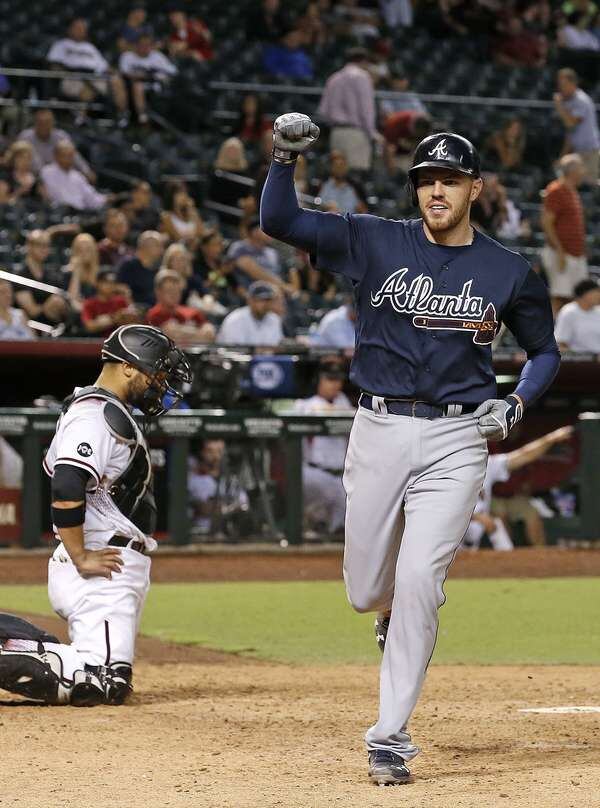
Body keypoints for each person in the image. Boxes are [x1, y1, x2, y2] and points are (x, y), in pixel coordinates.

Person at [260, 115, 560, 784]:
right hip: (380, 427)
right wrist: (284, 158)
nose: (435, 191)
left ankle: (389, 735)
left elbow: (544, 352)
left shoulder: (507, 269)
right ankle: (388, 613)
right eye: (425, 180)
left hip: (459, 437)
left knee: (423, 578)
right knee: (368, 590)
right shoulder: (372, 239)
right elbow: (281, 221)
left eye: (449, 180)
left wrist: (516, 403)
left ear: (474, 188)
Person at [0, 325, 192, 706]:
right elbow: (68, 484)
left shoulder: (107, 411)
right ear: (126, 368)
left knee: (99, 672)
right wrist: (81, 555)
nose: (160, 383)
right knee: (100, 679)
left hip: (111, 565)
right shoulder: (94, 415)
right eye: (155, 372)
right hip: (99, 564)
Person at [462, 425, 574, 550]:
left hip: (473, 534)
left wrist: (551, 438)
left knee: (494, 526)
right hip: (452, 533)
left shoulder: (488, 464)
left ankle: (512, 560)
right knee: (491, 521)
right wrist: (474, 516)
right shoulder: (446, 469)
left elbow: (524, 454)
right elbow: (439, 505)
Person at [293, 362, 354, 536]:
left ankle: (329, 529)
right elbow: (311, 409)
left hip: (339, 474)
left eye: (337, 380)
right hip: (313, 472)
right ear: (317, 382)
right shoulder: (305, 404)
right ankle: (319, 524)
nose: (335, 384)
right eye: (329, 380)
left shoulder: (342, 400)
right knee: (336, 493)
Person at [47, 18, 128, 122]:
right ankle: (80, 119)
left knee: (116, 80)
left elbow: (104, 67)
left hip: (93, 77)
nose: (80, 31)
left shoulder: (90, 48)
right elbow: (54, 65)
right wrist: (67, 74)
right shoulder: (61, 44)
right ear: (70, 30)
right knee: (87, 88)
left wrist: (115, 72)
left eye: (82, 28)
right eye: (77, 28)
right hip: (71, 77)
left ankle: (122, 116)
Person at [540, 153, 588, 315]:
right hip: (561, 254)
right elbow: (547, 223)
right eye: (581, 168)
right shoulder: (556, 190)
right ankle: (550, 338)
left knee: (579, 298)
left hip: (575, 255)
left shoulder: (572, 191)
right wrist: (559, 251)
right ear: (572, 171)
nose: (583, 171)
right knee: (560, 298)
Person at [317, 47, 380, 171]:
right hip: (356, 133)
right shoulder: (362, 76)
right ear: (364, 61)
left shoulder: (334, 78)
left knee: (338, 174)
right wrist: (372, 133)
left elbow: (323, 111)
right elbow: (366, 109)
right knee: (356, 175)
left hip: (336, 133)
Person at [17, 108, 95, 181]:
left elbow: (74, 155)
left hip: (59, 175)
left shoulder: (61, 136)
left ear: (52, 123)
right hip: (34, 176)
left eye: (47, 123)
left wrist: (86, 171)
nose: (44, 126)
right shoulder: (25, 136)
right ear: (35, 123)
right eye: (41, 123)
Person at [13, 229, 69, 326]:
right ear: (29, 246)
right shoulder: (20, 275)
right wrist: (51, 304)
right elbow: (32, 311)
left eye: (47, 245)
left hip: (53, 325)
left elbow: (64, 302)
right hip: (29, 328)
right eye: (40, 244)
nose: (45, 249)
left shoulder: (51, 274)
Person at [554, 67, 600, 185]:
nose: (561, 88)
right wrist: (562, 155)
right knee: (570, 185)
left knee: (589, 185)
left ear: (573, 83)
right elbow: (570, 131)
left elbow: (571, 122)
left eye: (563, 84)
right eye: (559, 84)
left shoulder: (582, 100)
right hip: (577, 151)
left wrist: (559, 106)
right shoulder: (568, 101)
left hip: (589, 152)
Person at [119, 34, 177, 125]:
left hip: (152, 84)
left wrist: (154, 76)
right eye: (142, 45)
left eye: (148, 45)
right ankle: (131, 117)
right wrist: (137, 76)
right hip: (129, 86)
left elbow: (173, 71)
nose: (145, 48)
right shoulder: (127, 56)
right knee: (135, 85)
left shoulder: (157, 56)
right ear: (136, 45)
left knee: (139, 86)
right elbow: (124, 72)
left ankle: (145, 119)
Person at [146, 269, 215, 345]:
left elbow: (209, 333)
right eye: (169, 290)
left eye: (177, 291)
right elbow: (169, 336)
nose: (174, 294)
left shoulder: (192, 312)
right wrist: (197, 333)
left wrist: (180, 332)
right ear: (158, 292)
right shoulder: (154, 315)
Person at [40, 140, 107, 211]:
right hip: (59, 212)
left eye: (71, 156)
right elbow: (57, 197)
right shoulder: (47, 172)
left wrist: (107, 199)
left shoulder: (77, 176)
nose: (68, 159)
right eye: (64, 155)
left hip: (81, 213)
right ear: (56, 156)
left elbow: (92, 198)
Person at [226, 216, 285, 293]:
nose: (271, 232)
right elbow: (251, 269)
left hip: (276, 292)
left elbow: (278, 273)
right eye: (267, 229)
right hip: (249, 293)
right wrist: (284, 286)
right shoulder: (239, 247)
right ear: (254, 232)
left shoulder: (272, 252)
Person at [216, 280, 283, 345]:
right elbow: (235, 351)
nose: (266, 304)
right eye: (261, 300)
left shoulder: (274, 319)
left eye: (268, 300)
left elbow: (274, 348)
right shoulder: (235, 319)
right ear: (250, 301)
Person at [81, 268, 141, 336]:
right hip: (97, 341)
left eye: (113, 282)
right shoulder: (89, 303)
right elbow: (89, 327)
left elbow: (134, 322)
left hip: (119, 340)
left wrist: (127, 296)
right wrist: (114, 319)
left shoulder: (121, 300)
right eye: (106, 282)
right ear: (97, 283)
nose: (110, 285)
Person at [117, 231, 164, 308]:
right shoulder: (129, 266)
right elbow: (121, 290)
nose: (162, 250)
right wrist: (133, 310)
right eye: (158, 246)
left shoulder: (159, 269)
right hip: (135, 313)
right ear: (145, 247)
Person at [554, 277, 600, 352]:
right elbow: (560, 343)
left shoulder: (598, 311)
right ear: (586, 294)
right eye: (597, 292)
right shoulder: (569, 312)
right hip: (579, 360)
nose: (599, 296)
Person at [160, 185, 204, 251]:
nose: (183, 196)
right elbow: (177, 238)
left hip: (194, 251)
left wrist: (192, 209)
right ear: (172, 196)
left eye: (184, 193)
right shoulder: (166, 216)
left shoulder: (193, 213)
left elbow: (201, 233)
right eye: (179, 193)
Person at [63, 232, 101, 306]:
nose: (83, 254)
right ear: (74, 252)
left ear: (93, 252)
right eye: (80, 250)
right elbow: (71, 299)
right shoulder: (67, 272)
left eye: (87, 250)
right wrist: (76, 272)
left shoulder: (99, 272)